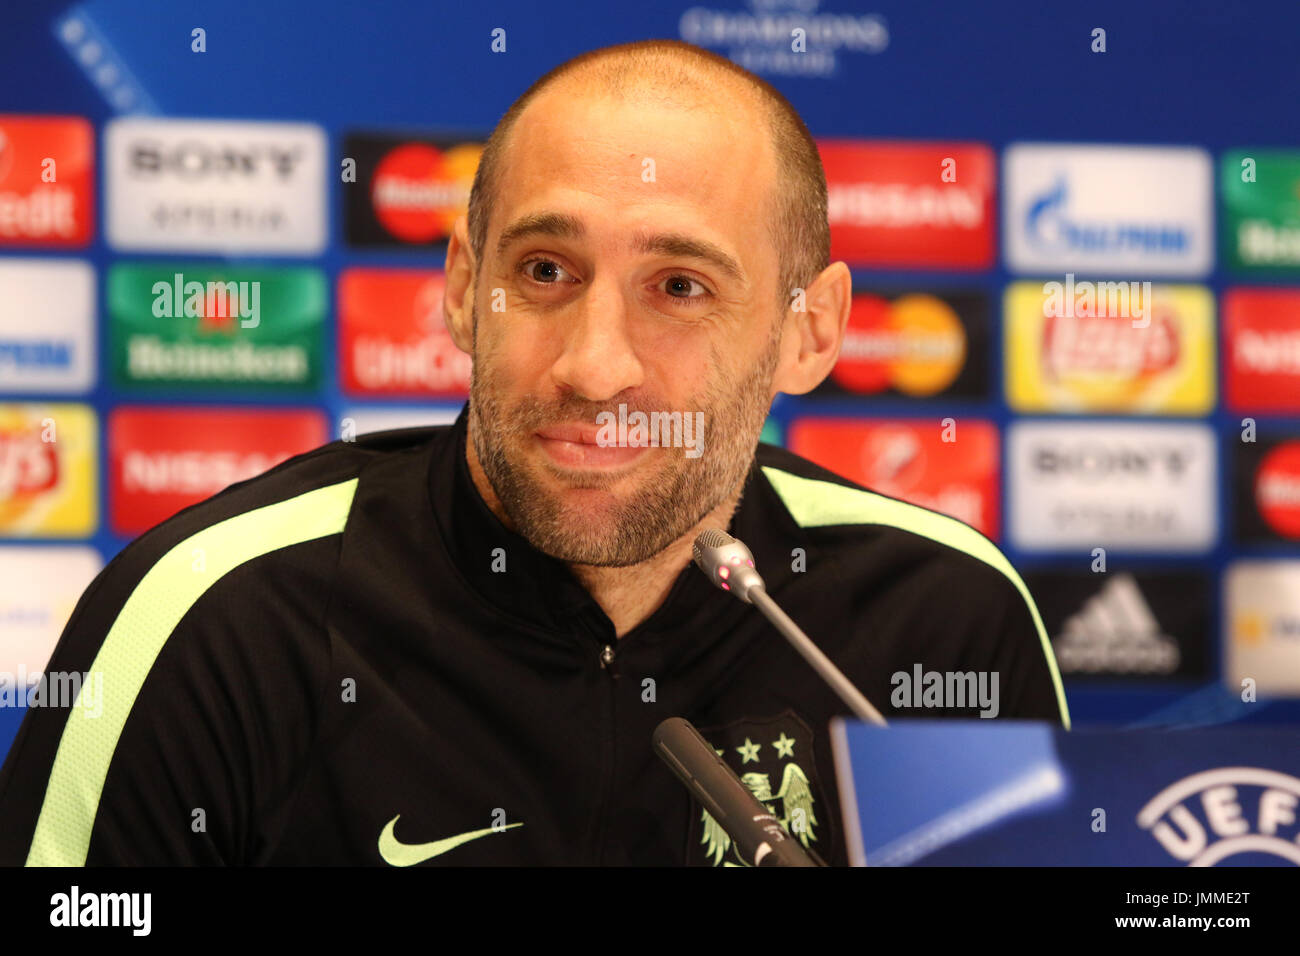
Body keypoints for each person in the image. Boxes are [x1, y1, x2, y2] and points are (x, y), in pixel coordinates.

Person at [0, 39, 1067, 867]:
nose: (595, 367)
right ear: (465, 287)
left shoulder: (948, 615)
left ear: (811, 331)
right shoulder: (212, 614)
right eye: (546, 269)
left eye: (680, 287)